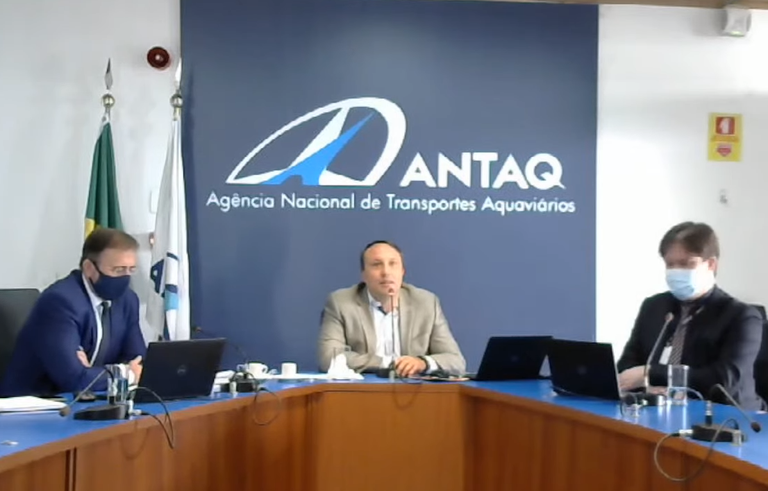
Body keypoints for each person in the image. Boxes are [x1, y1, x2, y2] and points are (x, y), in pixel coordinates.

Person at [617, 222, 764, 410]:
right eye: (670, 264)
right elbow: (627, 365)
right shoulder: (653, 306)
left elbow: (725, 379)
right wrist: (646, 388)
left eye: (686, 263)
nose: (676, 271)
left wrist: (652, 374)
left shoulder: (742, 317)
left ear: (711, 264)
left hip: (726, 416)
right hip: (658, 409)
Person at [0, 228, 146, 397]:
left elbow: (139, 362)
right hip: (35, 404)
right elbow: (74, 379)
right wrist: (125, 373)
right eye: (118, 270)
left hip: (90, 400)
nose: (125, 277)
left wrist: (93, 372)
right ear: (89, 268)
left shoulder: (127, 300)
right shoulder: (60, 302)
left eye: (131, 269)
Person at [318, 240, 466, 377]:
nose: (386, 272)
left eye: (393, 264)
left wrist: (423, 363)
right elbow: (329, 358)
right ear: (363, 275)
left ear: (402, 271)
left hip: (413, 392)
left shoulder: (426, 303)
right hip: (364, 389)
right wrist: (389, 363)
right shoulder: (341, 303)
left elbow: (456, 361)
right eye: (376, 265)